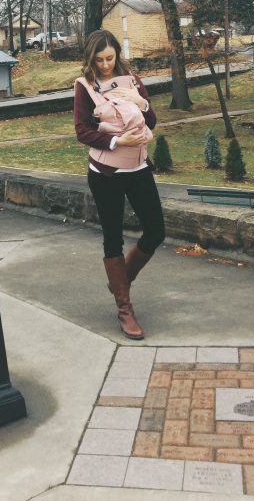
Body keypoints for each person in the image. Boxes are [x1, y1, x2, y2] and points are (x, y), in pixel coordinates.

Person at [74, 29, 165, 340]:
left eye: (109, 58)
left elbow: (150, 122)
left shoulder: (132, 79)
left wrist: (140, 102)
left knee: (156, 230)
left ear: (117, 54)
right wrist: (116, 139)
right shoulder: (85, 86)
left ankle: (120, 280)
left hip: (138, 166)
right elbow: (82, 131)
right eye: (98, 59)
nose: (104, 64)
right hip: (105, 172)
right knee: (112, 238)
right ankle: (125, 309)